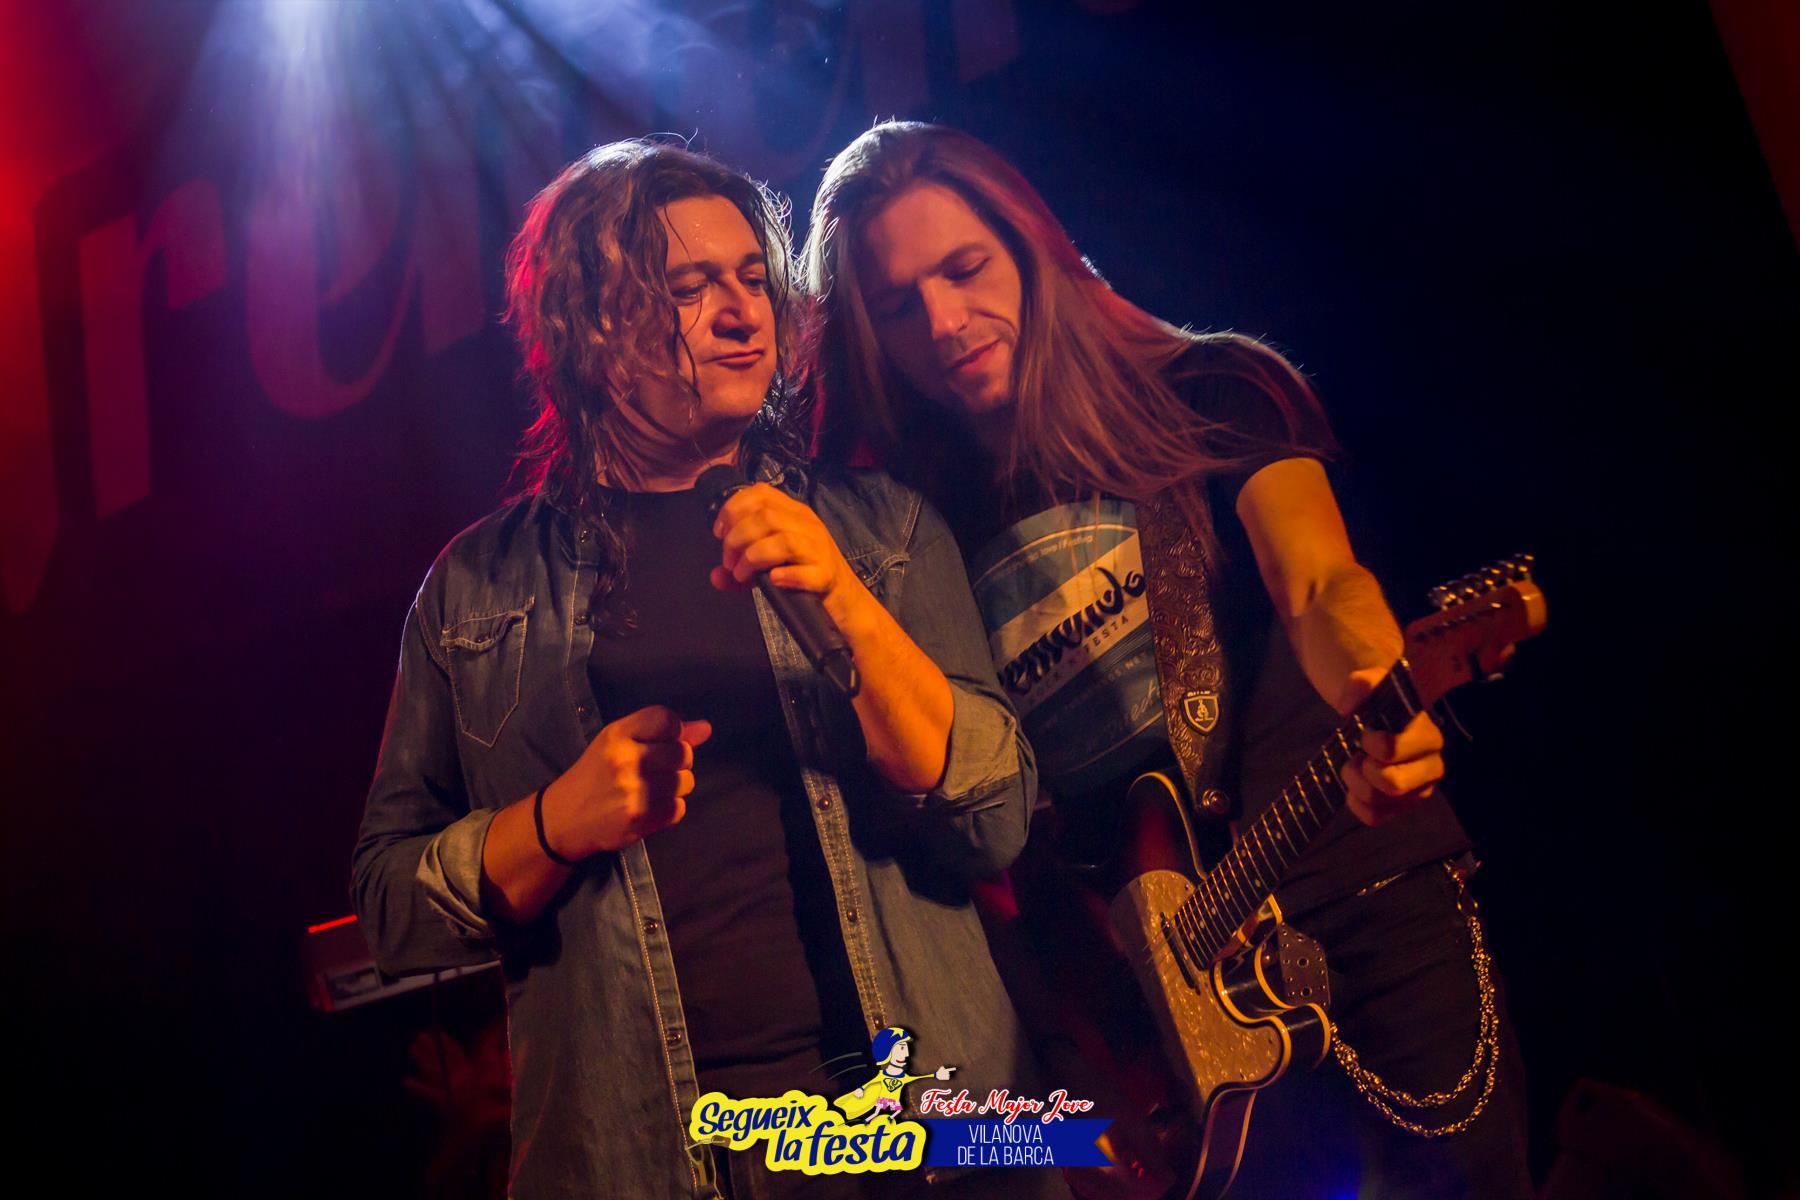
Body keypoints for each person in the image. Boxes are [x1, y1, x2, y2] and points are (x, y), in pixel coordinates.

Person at [801, 121, 1534, 1199]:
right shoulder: (914, 525)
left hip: (1362, 906)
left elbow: (1318, 584)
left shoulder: (1208, 389)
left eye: (965, 269)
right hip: (1167, 1002)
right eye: (899, 306)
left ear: (1032, 248)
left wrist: (1379, 692)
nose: (943, 322)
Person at [351, 138, 1065, 1200]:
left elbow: (997, 816)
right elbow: (387, 907)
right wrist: (554, 824)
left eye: (750, 279)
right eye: (689, 289)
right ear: (593, 327)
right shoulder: (477, 592)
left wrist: (845, 600)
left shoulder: (882, 528)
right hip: (642, 1161)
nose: (742, 314)